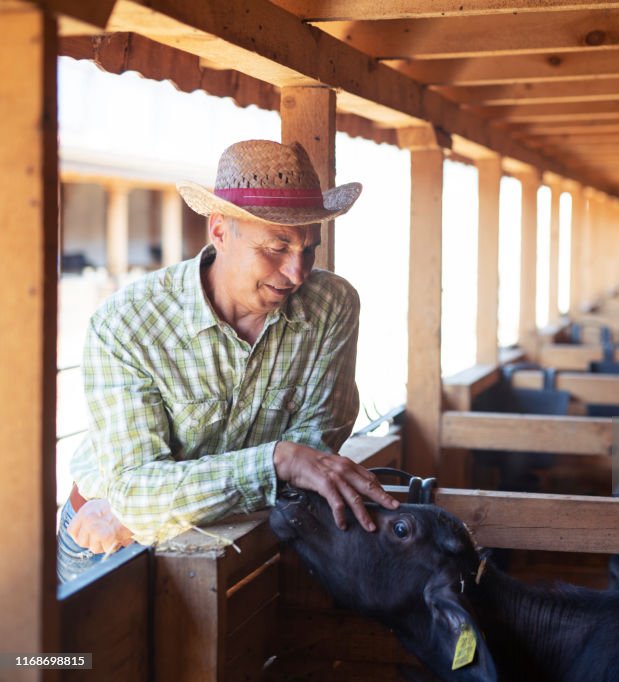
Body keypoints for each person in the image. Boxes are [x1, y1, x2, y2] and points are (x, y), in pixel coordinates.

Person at [59, 139, 398, 582]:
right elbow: (135, 492)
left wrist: (157, 505)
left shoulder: (332, 305)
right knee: (71, 656)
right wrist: (277, 461)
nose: (297, 274)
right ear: (219, 231)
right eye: (277, 247)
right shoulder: (127, 324)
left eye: (308, 248)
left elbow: (315, 448)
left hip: (218, 535)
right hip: (106, 540)